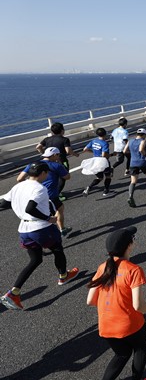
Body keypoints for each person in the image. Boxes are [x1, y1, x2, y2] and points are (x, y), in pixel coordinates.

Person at [0, 162, 79, 311]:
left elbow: (4, 203)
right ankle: (63, 276)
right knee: (57, 250)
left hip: (24, 229)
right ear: (43, 173)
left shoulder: (17, 186)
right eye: (47, 173)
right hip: (42, 228)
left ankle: (13, 292)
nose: (48, 175)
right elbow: (31, 208)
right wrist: (48, 218)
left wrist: (19, 207)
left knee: (35, 259)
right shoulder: (40, 188)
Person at [86, 226, 146, 380]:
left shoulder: (102, 267)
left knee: (121, 354)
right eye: (133, 239)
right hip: (129, 325)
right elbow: (138, 306)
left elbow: (90, 301)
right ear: (129, 246)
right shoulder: (133, 270)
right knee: (140, 349)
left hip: (106, 327)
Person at [18, 147, 72, 236]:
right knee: (58, 210)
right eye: (58, 155)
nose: (59, 157)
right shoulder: (56, 165)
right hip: (50, 195)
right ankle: (61, 230)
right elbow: (67, 177)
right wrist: (62, 168)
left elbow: (19, 179)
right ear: (54, 155)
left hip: (33, 194)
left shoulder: (33, 164)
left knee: (42, 212)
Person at [36, 122, 78, 200]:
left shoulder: (47, 139)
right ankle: (56, 195)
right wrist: (75, 154)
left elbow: (38, 147)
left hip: (48, 160)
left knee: (50, 177)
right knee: (63, 178)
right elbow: (68, 151)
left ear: (52, 131)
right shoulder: (64, 139)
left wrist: (44, 153)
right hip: (61, 160)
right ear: (62, 130)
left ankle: (47, 193)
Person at [123, 128, 146, 208]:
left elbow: (124, 151)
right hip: (142, 162)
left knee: (133, 181)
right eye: (145, 135)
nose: (145, 137)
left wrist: (133, 153)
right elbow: (141, 150)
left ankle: (130, 197)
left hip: (133, 163)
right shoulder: (143, 141)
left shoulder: (130, 141)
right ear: (143, 135)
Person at [81, 128, 113, 197]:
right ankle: (106, 191)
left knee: (100, 178)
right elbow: (104, 155)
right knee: (108, 176)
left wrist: (93, 152)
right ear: (105, 134)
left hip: (95, 161)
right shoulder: (105, 143)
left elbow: (85, 149)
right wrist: (111, 155)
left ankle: (89, 187)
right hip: (103, 161)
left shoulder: (93, 141)